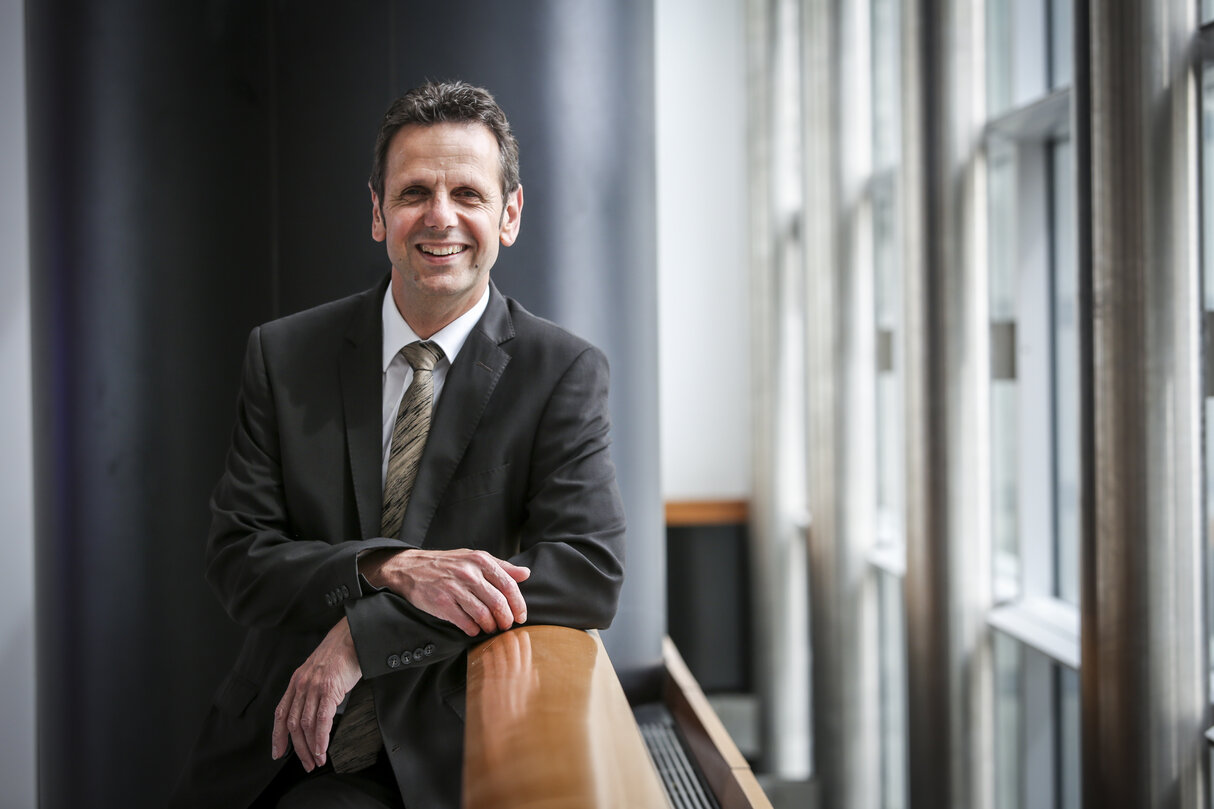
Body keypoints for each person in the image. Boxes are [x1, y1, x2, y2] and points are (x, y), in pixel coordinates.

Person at [170, 80, 627, 809]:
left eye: (468, 195)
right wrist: (388, 568)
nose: (440, 217)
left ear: (509, 215)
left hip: (442, 749)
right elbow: (239, 559)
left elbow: (585, 569)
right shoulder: (284, 356)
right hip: (275, 745)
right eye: (415, 192)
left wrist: (363, 635)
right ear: (378, 213)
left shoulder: (562, 372)